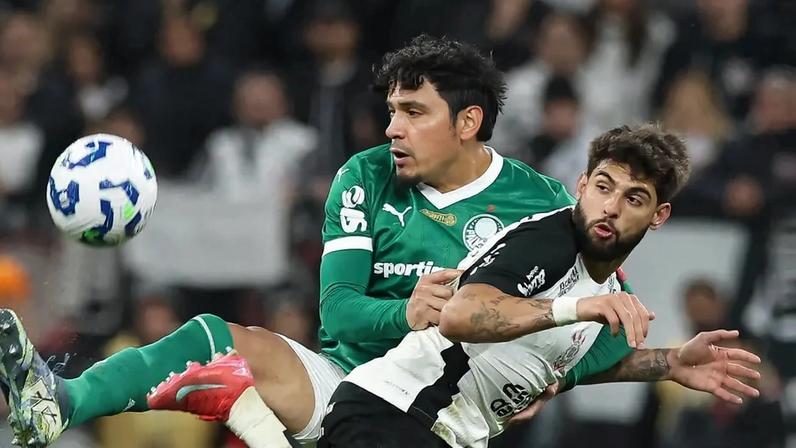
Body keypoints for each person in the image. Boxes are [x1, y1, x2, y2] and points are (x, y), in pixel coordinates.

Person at [0, 35, 649, 448]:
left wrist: (547, 380)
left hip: (433, 415)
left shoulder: (542, 204)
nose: (393, 128)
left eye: (414, 113)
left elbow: (607, 323)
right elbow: (337, 310)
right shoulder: (364, 176)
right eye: (392, 110)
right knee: (213, 337)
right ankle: (61, 402)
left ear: (468, 122)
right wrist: (406, 311)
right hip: (343, 384)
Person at [316, 124, 762, 448]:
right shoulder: (549, 241)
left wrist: (670, 363)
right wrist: (576, 308)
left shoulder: (605, 291)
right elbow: (458, 315)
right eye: (603, 187)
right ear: (582, 186)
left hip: (436, 430)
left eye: (634, 198)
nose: (610, 207)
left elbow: (570, 366)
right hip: (390, 413)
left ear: (658, 216)